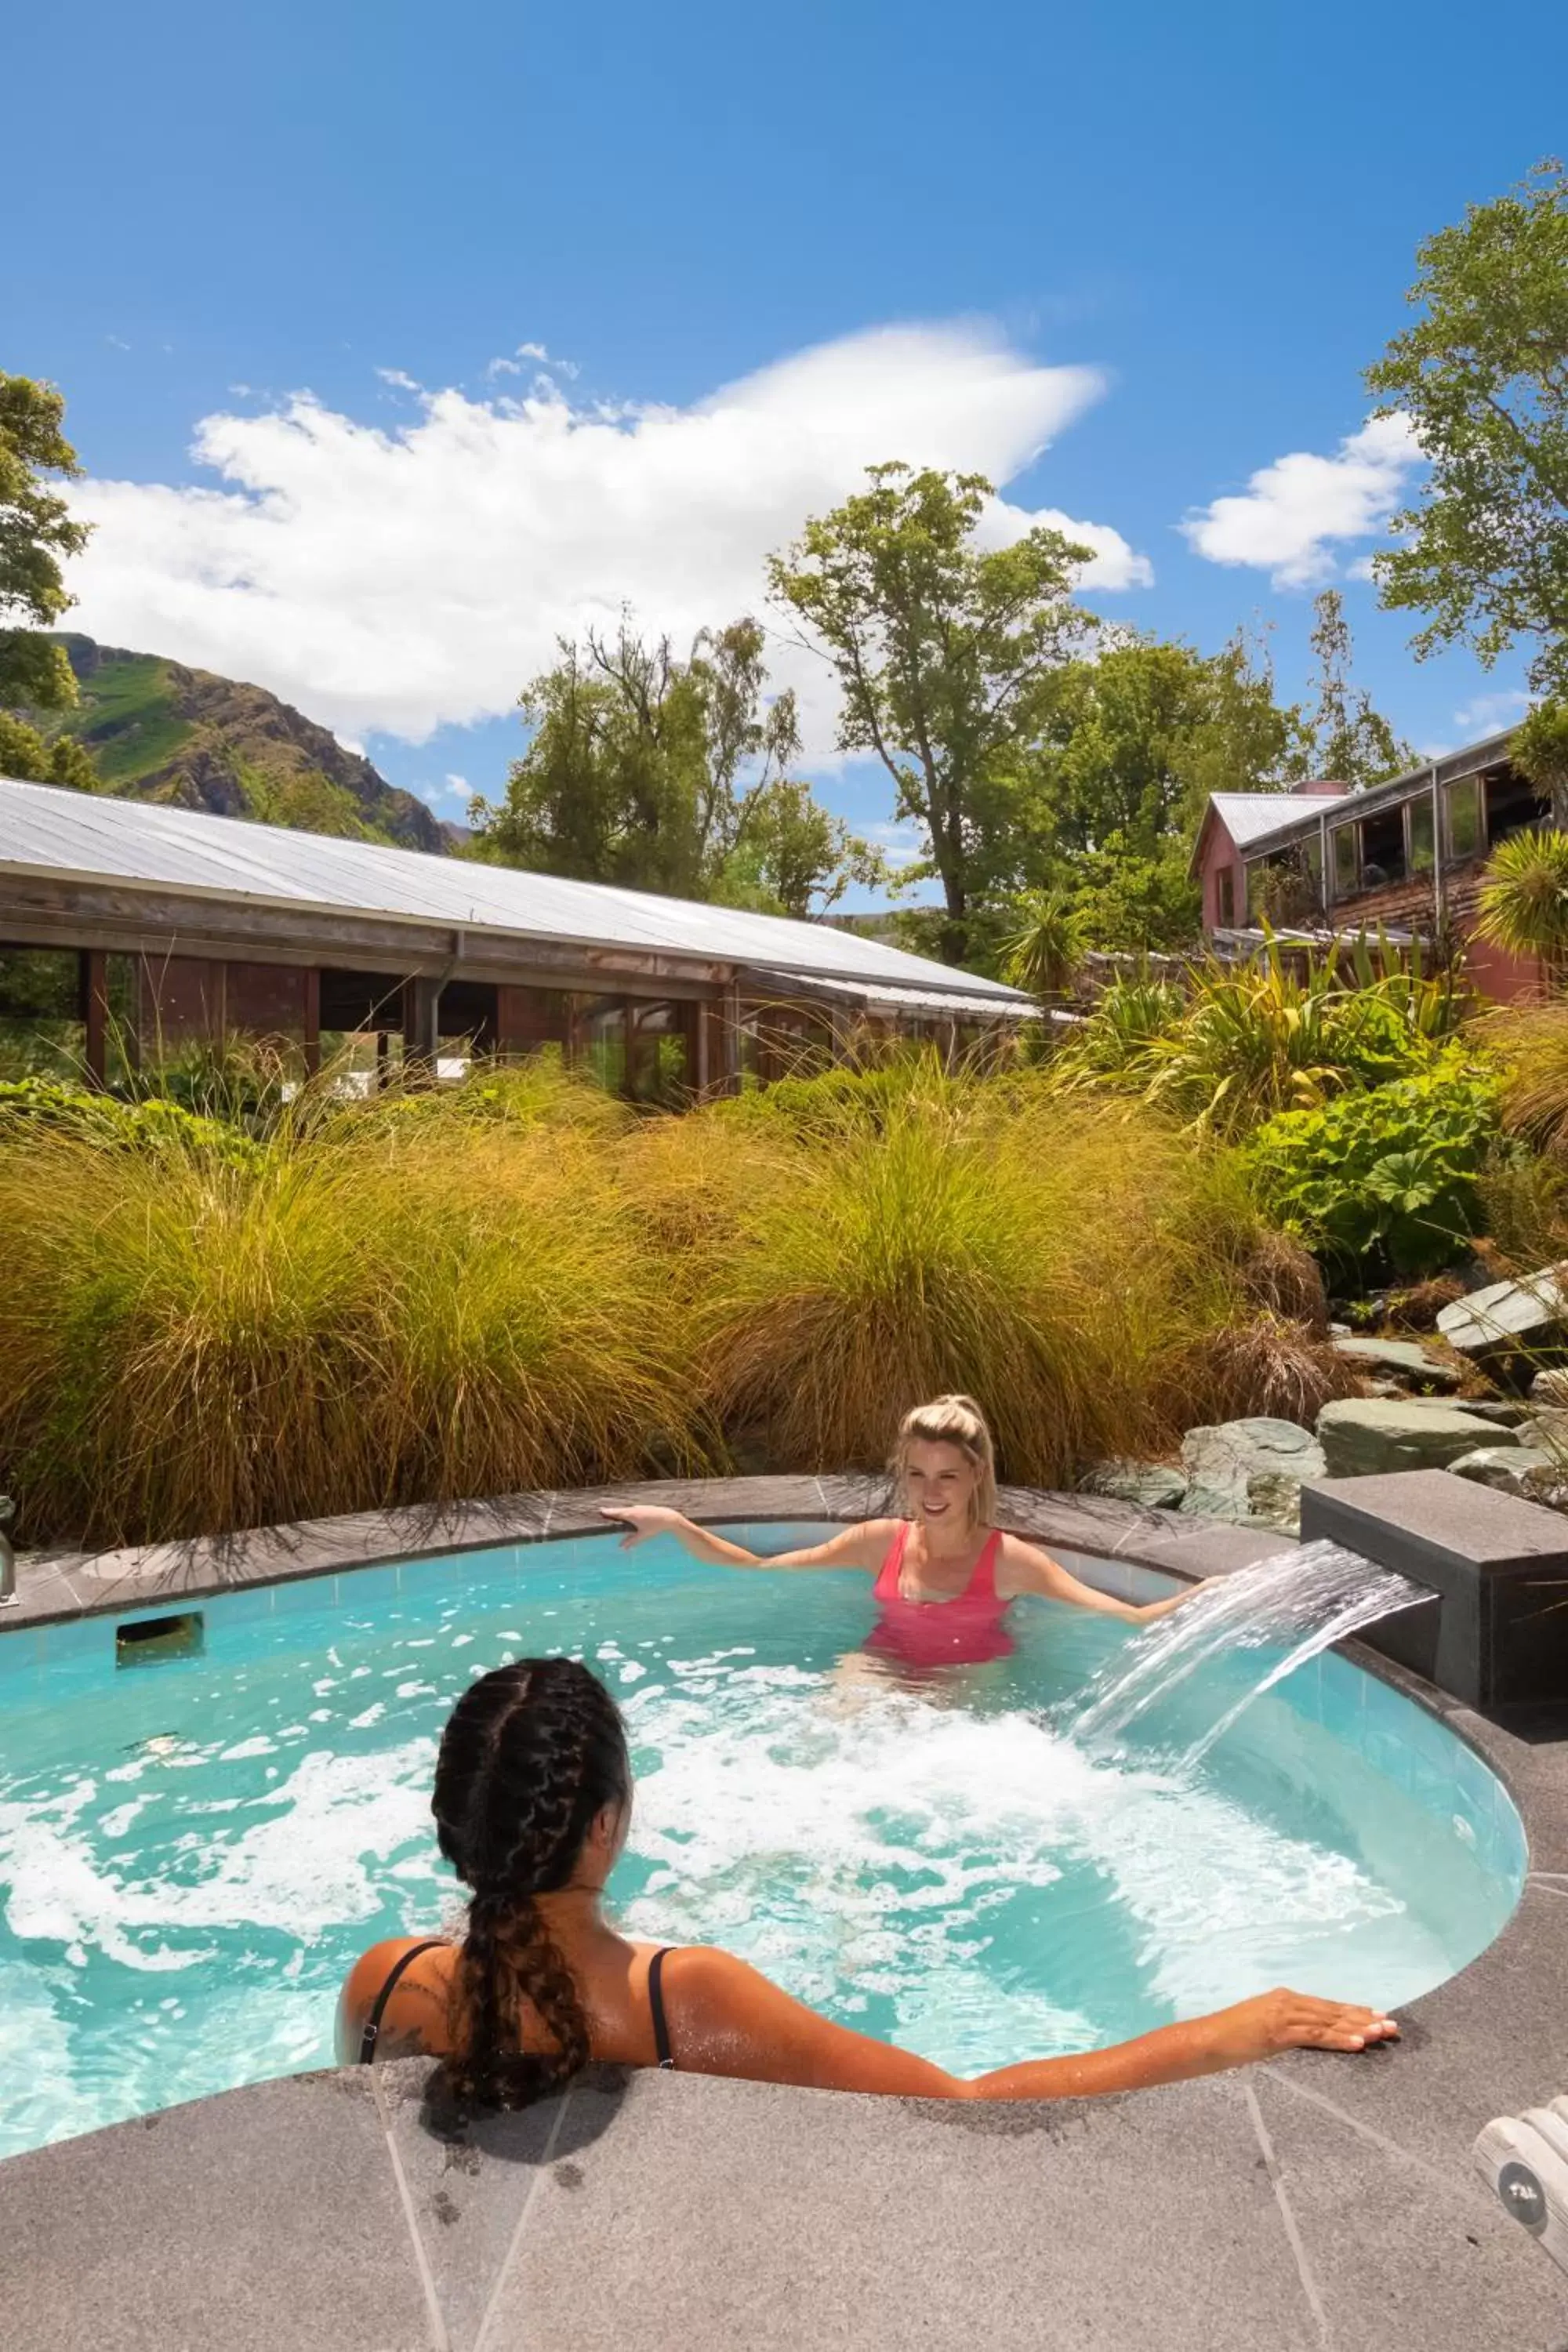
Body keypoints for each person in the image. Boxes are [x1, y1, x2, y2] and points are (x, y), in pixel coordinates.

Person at [337, 1656, 1399, 2102]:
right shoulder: (687, 2000)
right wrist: (1226, 2030)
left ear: (453, 1827)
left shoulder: (384, 1984)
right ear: (606, 1825)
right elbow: (962, 2102)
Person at [600, 1394, 1208, 1668]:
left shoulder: (1009, 1562)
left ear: (976, 1476)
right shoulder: (878, 1542)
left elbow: (1131, 1618)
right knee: (825, 1750)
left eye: (947, 1476)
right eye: (916, 1475)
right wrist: (676, 1523)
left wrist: (1225, 1594)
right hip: (883, 1658)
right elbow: (759, 1568)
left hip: (966, 1675)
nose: (931, 1492)